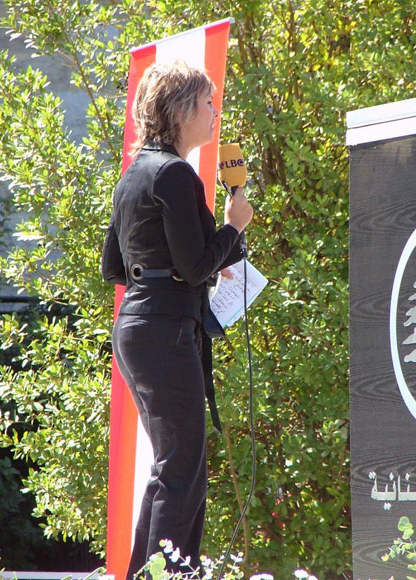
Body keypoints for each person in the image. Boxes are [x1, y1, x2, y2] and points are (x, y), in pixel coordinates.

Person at [101, 60, 253, 578]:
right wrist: (232, 229)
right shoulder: (174, 172)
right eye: (208, 102)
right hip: (165, 330)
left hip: (139, 326)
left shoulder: (134, 175)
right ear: (183, 108)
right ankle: (169, 574)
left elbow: (114, 267)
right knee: (183, 469)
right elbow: (192, 266)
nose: (216, 112)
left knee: (173, 467)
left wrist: (203, 260)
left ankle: (147, 571)